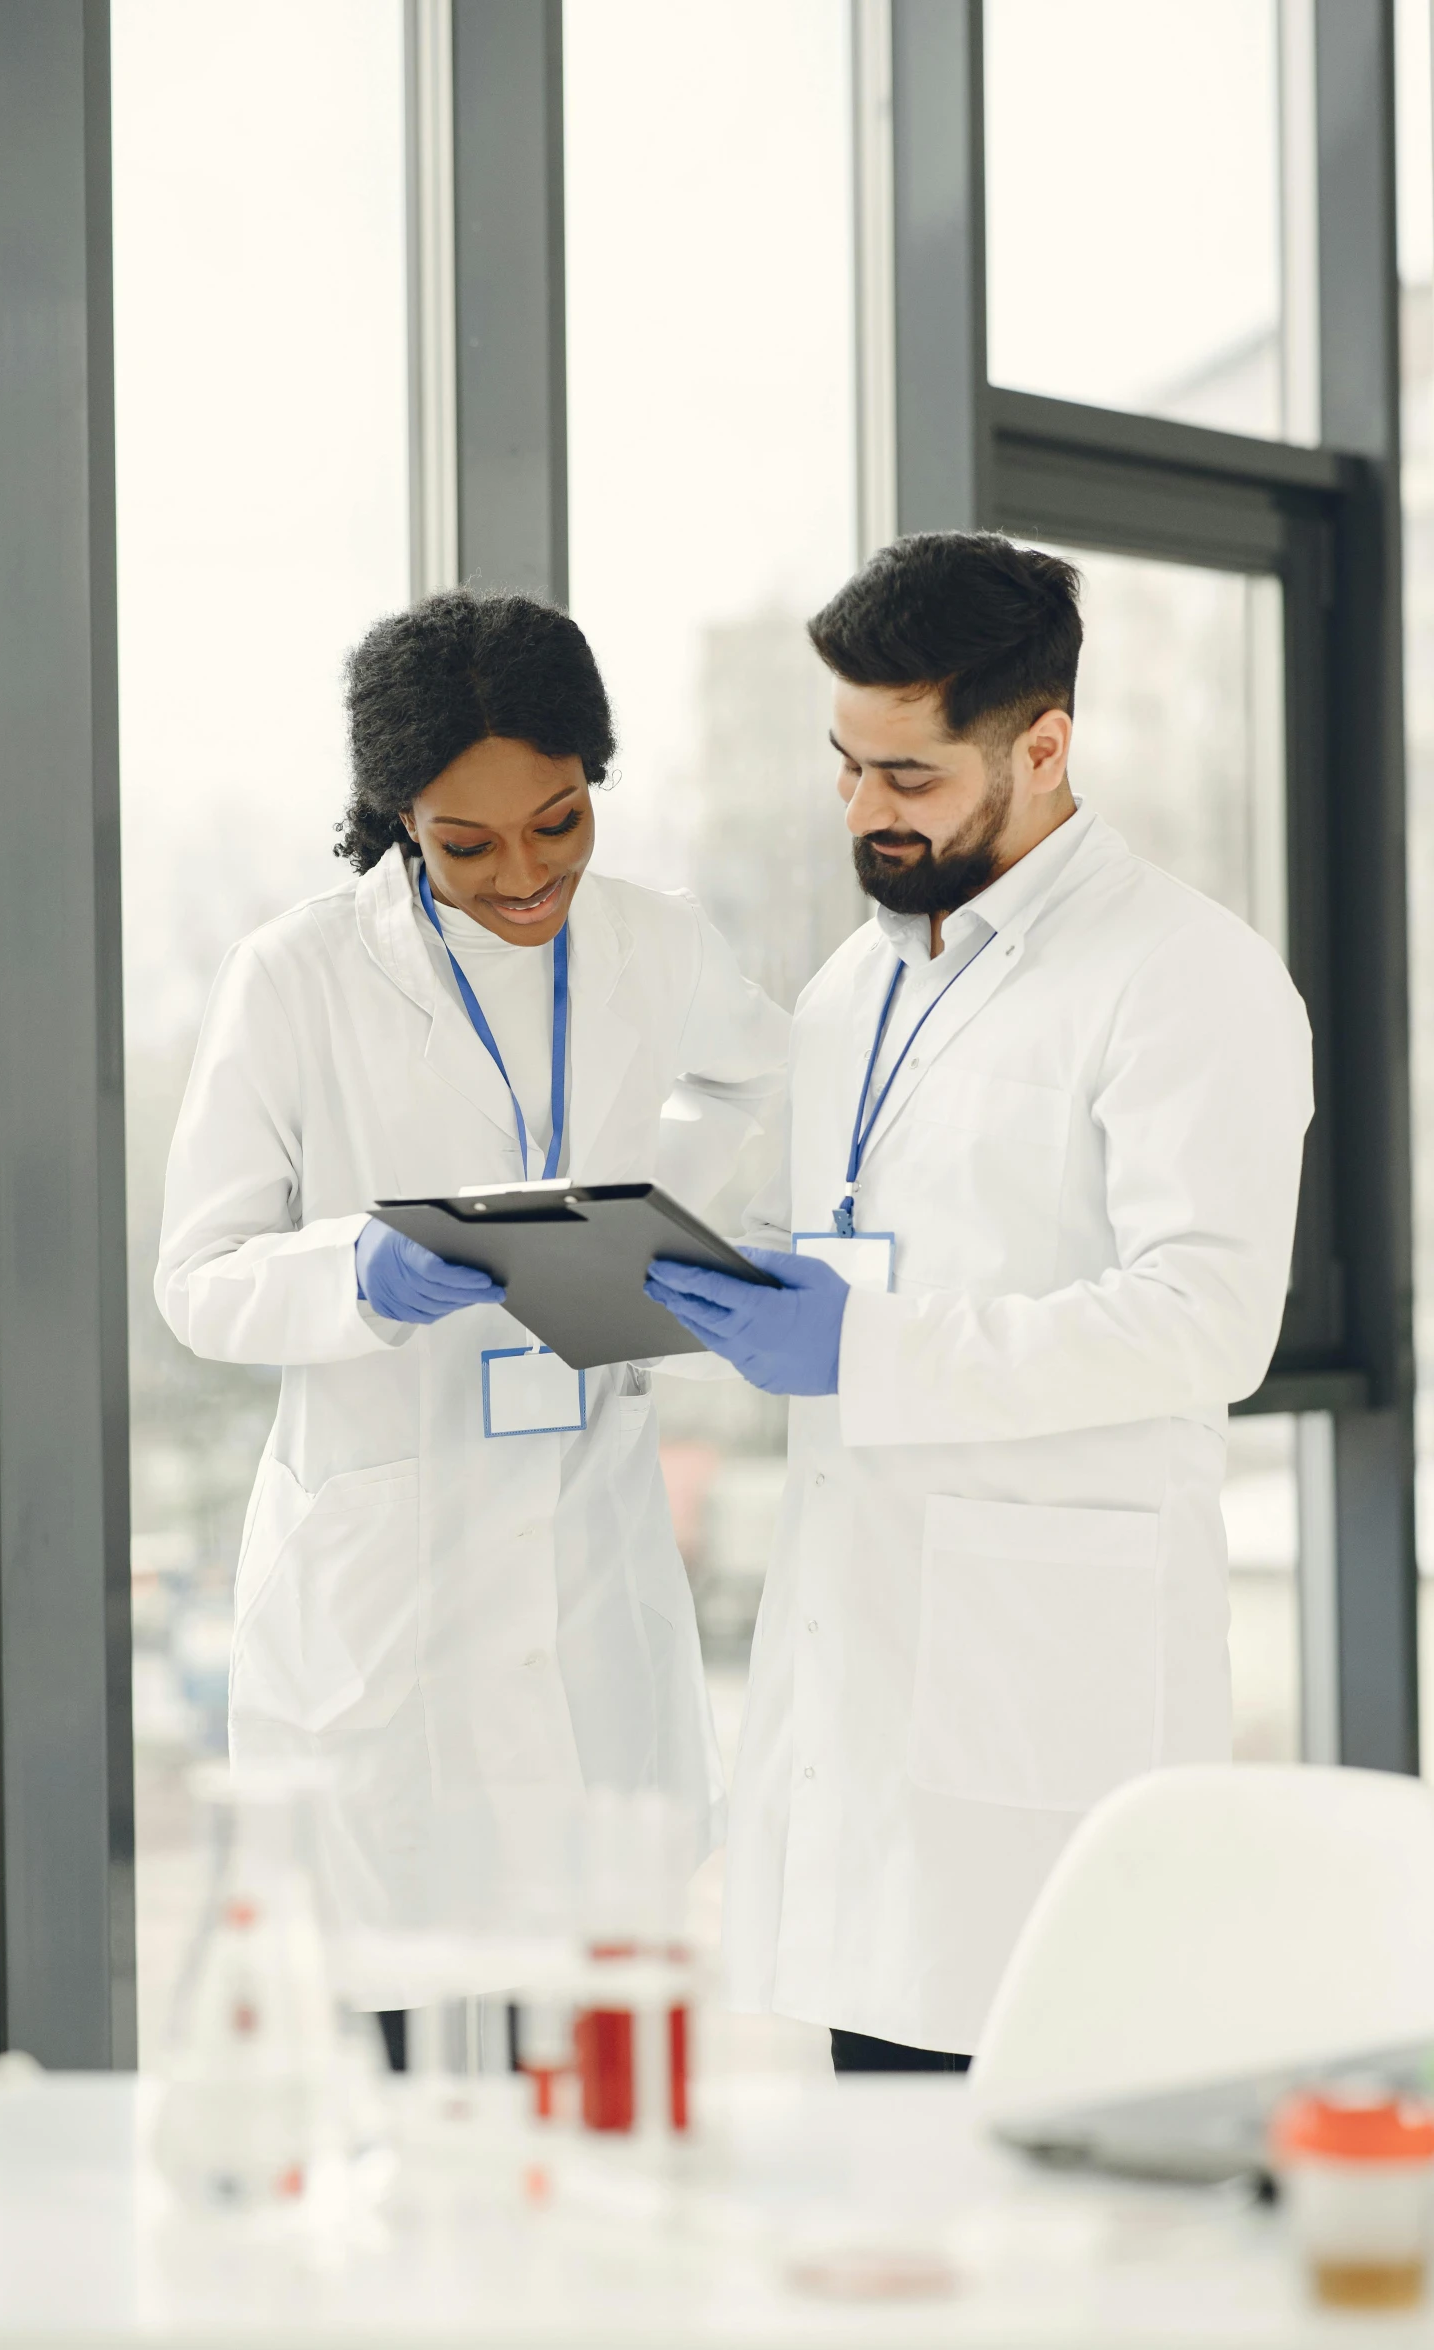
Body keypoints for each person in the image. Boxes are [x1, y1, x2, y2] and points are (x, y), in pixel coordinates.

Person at [646, 532, 1314, 2073]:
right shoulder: (851, 982)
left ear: (1043, 744)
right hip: (858, 1695)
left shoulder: (1183, 977)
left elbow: (1206, 1319)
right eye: (845, 766)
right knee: (881, 2207)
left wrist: (862, 1345)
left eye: (910, 776)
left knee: (1055, 2227)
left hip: (1040, 1699)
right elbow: (835, 1235)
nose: (865, 812)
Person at [156, 588, 788, 2012]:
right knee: (399, 2037)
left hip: (584, 1549)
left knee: (592, 2021)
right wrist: (355, 1278)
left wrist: (641, 1219)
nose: (522, 875)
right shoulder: (297, 978)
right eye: (466, 842)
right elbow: (197, 1281)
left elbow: (753, 1072)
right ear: (396, 817)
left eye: (558, 821)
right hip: (387, 1588)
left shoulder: (653, 941)